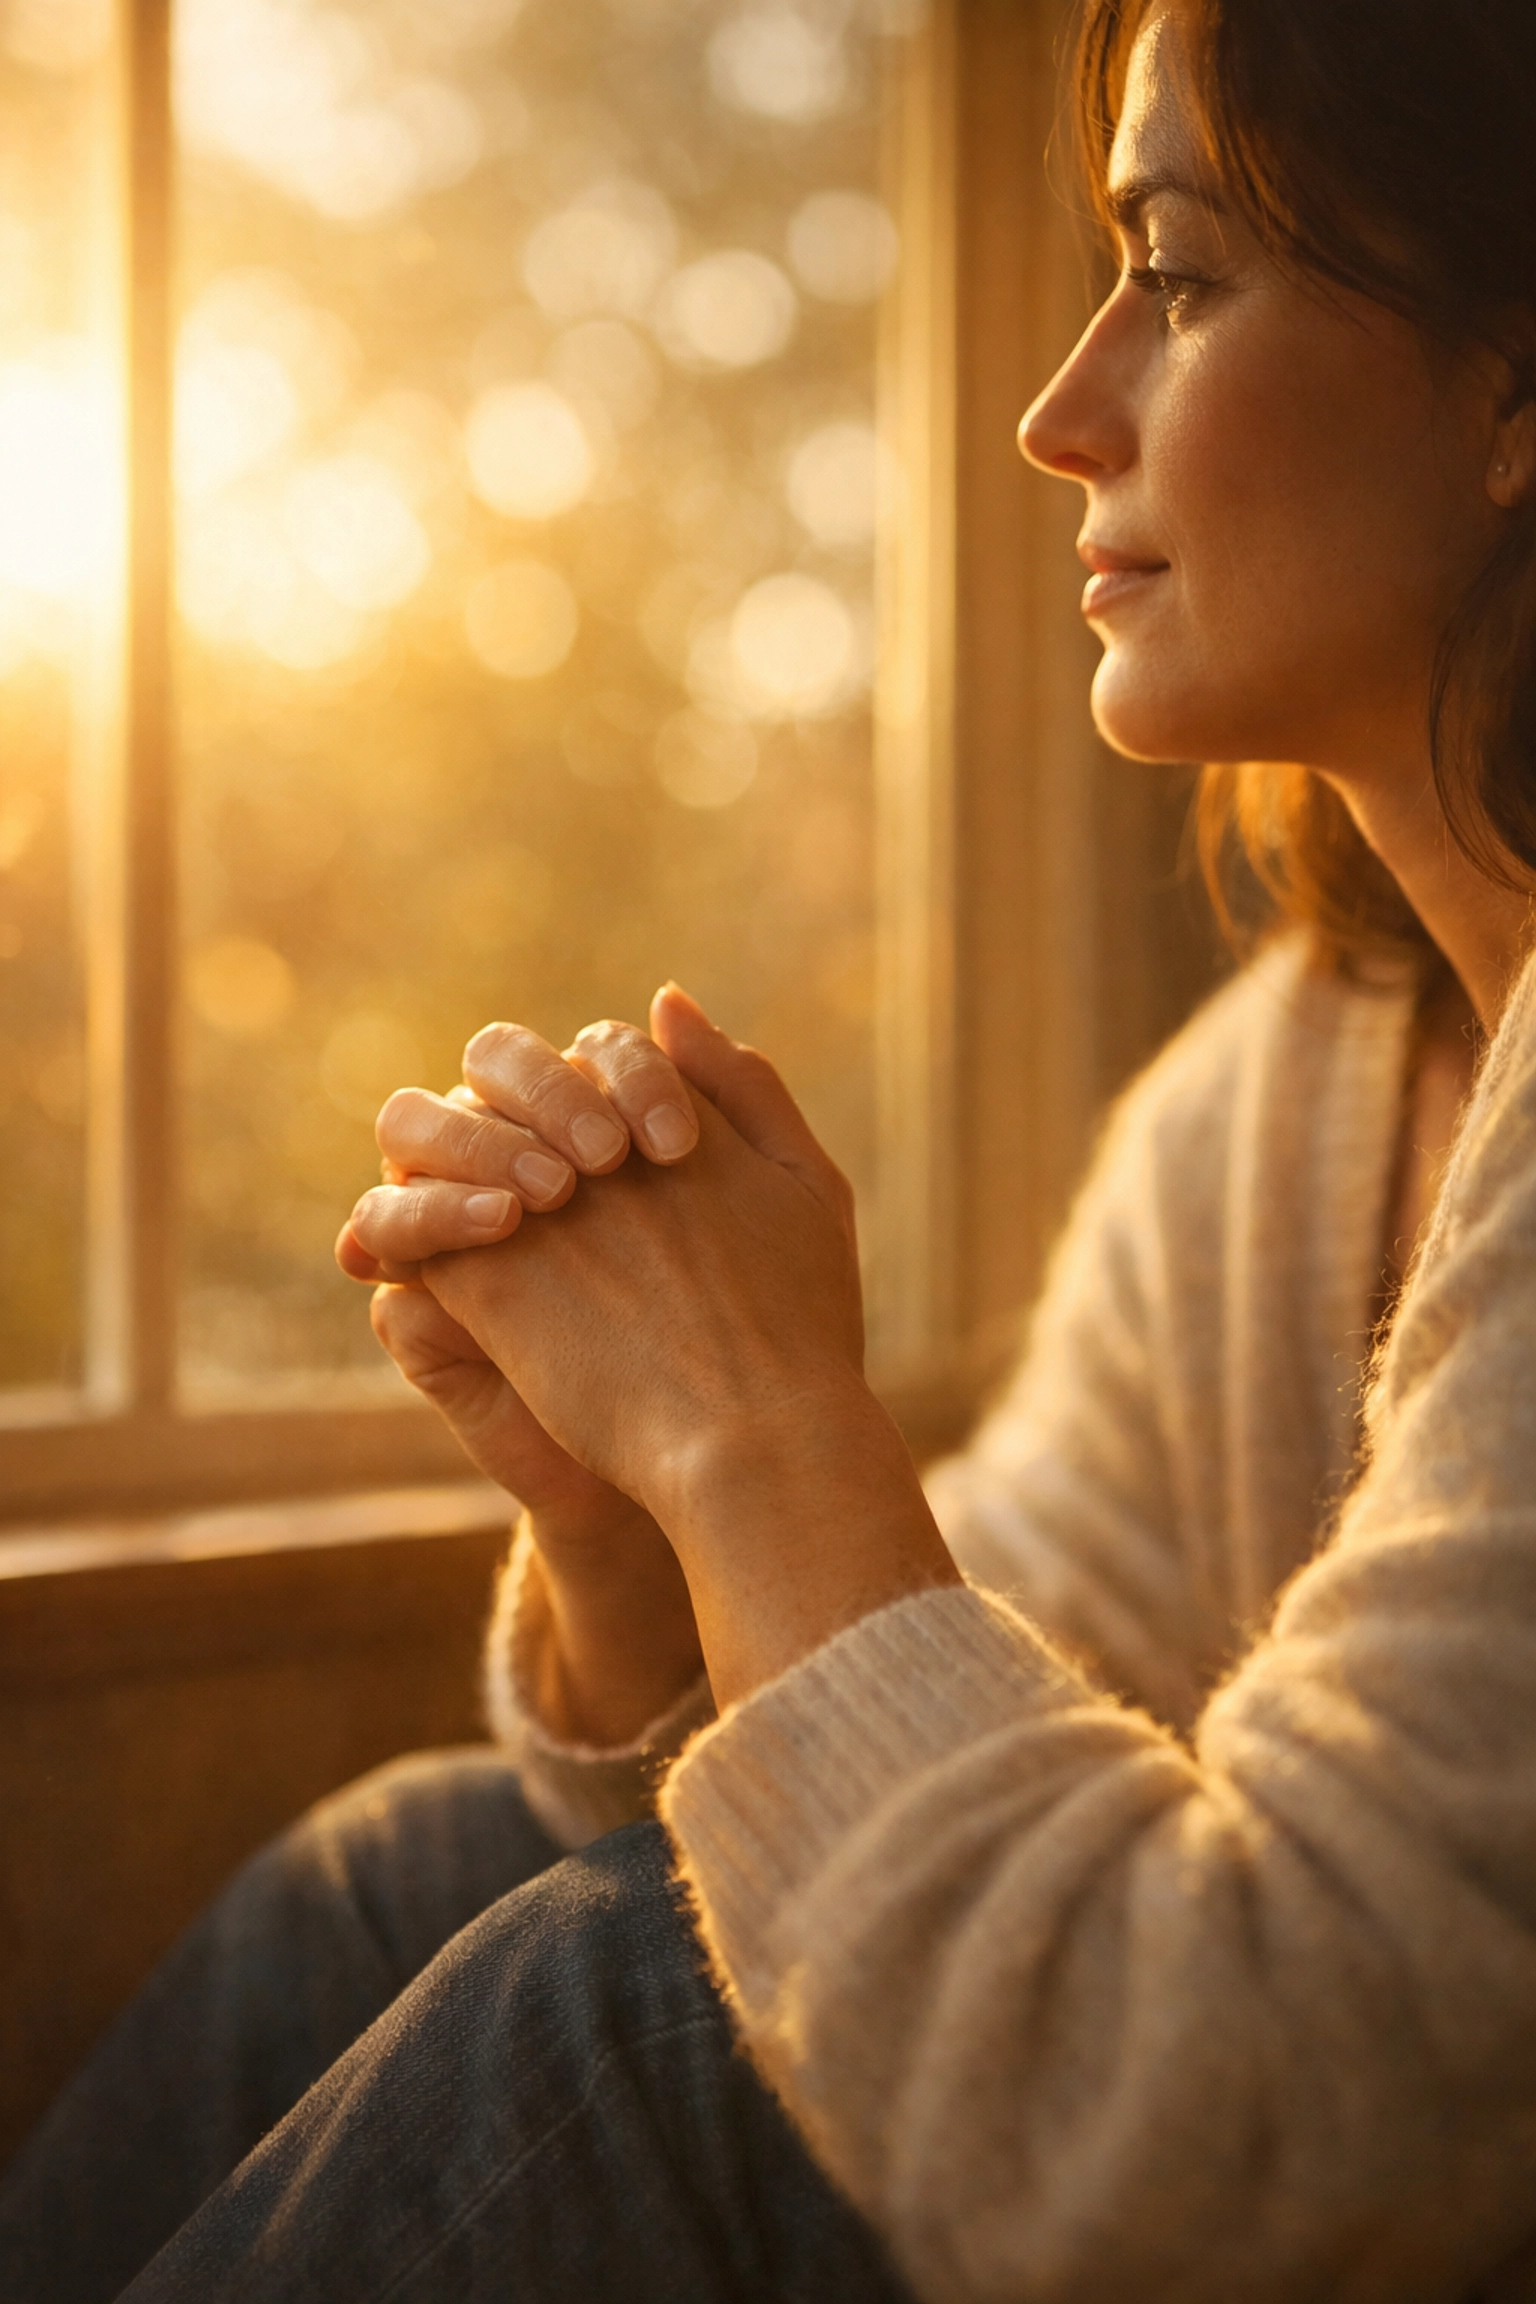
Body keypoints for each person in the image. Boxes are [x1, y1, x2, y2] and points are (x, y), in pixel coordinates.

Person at [8, 0, 1536, 2295]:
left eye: (1188, 275)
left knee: (632, 2019)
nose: (1057, 410)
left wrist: (753, 1429)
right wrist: (645, 1542)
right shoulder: (1280, 1094)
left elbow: (1244, 2127)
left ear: (1515, 383)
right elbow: (970, 1727)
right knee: (402, 1867)